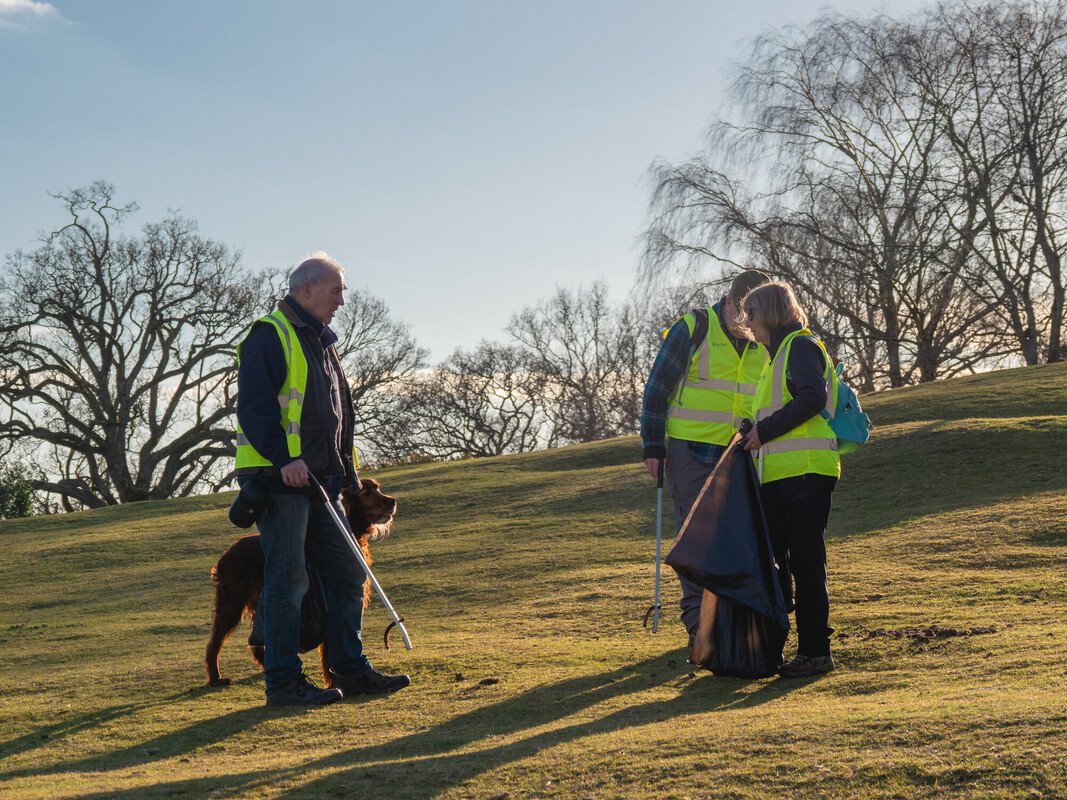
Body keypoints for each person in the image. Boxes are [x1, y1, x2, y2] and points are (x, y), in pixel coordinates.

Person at [235, 253, 410, 706]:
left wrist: (348, 476)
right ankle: (283, 682)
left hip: (325, 486)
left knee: (350, 571)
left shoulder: (322, 342)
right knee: (288, 580)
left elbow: (337, 419)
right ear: (307, 289)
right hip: (282, 484)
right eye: (337, 291)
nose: (342, 301)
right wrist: (283, 459)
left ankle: (350, 671)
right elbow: (254, 410)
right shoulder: (269, 335)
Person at [640, 269, 771, 652]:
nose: (747, 324)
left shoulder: (762, 336)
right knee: (694, 541)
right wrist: (653, 445)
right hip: (690, 452)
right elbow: (657, 387)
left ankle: (729, 626)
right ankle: (699, 629)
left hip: (741, 455)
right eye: (742, 312)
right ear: (729, 301)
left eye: (754, 316)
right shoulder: (694, 327)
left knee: (733, 541)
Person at [740, 280, 840, 678]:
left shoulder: (800, 346)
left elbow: (812, 397)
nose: (747, 322)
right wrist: (752, 428)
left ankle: (816, 652)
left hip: (805, 473)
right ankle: (772, 648)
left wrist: (763, 432)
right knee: (774, 563)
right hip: (780, 476)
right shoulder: (774, 358)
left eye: (752, 314)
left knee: (806, 564)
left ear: (769, 313)